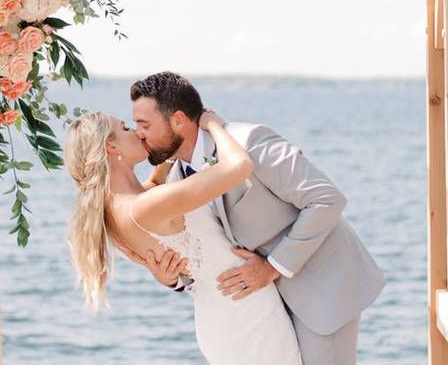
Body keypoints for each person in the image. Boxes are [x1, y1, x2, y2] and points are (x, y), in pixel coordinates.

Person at [124, 71, 386, 365]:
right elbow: (207, 247)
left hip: (320, 285)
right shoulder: (174, 179)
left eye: (143, 124)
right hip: (260, 312)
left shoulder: (250, 142)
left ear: (179, 120)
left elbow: (325, 199)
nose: (138, 134)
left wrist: (272, 268)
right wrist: (173, 279)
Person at [64, 107, 303, 364]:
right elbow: (239, 166)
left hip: (219, 315)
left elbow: (155, 185)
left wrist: (170, 136)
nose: (137, 132)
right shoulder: (145, 206)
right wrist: (214, 125)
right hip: (246, 309)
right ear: (111, 148)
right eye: (125, 129)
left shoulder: (114, 210)